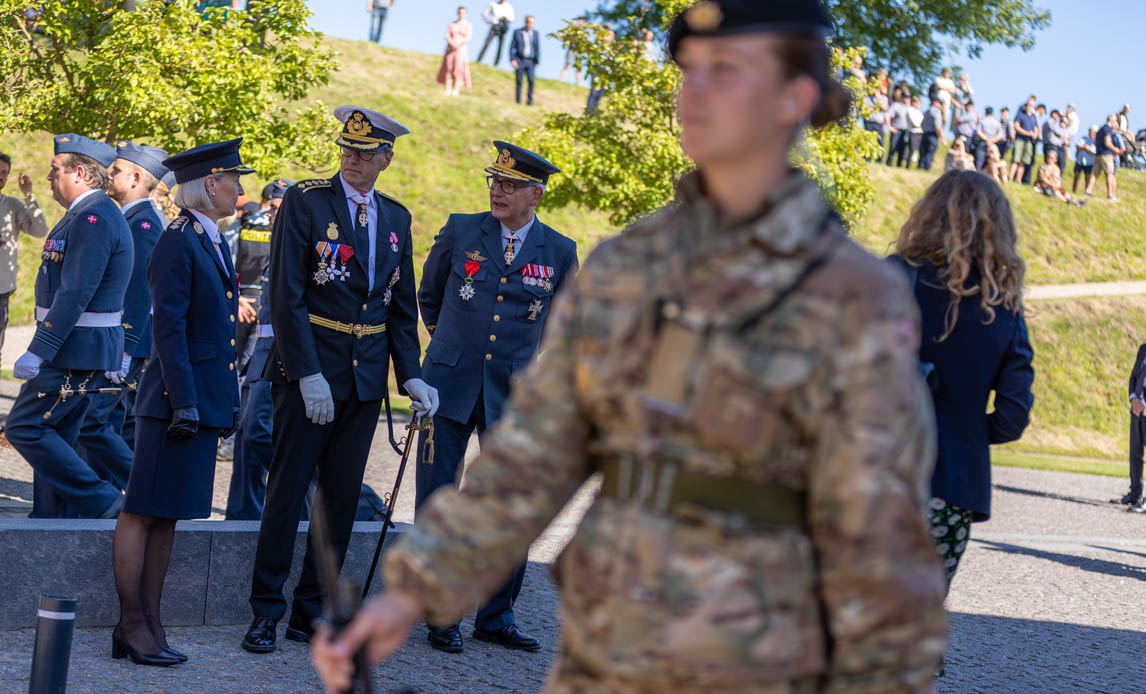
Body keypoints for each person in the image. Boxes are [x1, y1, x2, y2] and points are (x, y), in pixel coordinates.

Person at [311, 1, 947, 691]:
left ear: (794, 99)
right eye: (689, 70)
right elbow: (536, 453)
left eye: (725, 71)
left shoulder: (852, 294)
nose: (693, 91)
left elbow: (883, 546)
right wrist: (410, 594)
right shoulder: (628, 267)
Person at [241, 106, 438, 654]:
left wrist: (412, 377)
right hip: (310, 372)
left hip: (364, 380)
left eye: (364, 151)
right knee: (285, 495)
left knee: (341, 502)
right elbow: (286, 293)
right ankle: (265, 611)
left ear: (385, 158)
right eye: (346, 149)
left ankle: (310, 611)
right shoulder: (307, 200)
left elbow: (399, 306)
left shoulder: (396, 218)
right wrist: (306, 373)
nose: (351, 158)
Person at [413, 142, 577, 654]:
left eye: (509, 185)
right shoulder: (463, 229)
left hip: (512, 394)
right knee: (438, 499)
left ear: (537, 193)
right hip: (446, 385)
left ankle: (496, 615)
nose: (497, 191)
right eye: (494, 181)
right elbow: (429, 295)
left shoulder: (559, 250)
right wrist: (450, 350)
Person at [111, 138, 251, 667]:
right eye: (234, 179)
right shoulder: (178, 240)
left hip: (197, 398)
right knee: (143, 509)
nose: (241, 188)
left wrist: (222, 398)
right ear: (211, 184)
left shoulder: (208, 236)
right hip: (173, 401)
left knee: (166, 515)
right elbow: (167, 328)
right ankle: (131, 624)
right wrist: (186, 403)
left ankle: (151, 620)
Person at [892, 170, 1034, 588]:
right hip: (952, 486)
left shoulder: (892, 278)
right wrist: (966, 430)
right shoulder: (1005, 310)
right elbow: (1012, 418)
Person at [7, 135, 133, 520]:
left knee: (25, 427)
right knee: (59, 433)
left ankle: (102, 501)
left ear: (79, 173)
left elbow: (75, 291)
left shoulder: (94, 217)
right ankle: (50, 520)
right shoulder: (85, 213)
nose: (48, 176)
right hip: (79, 345)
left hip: (75, 347)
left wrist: (39, 349)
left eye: (55, 169)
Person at [75, 142, 168, 481]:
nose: (109, 176)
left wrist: (126, 346)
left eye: (115, 172)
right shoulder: (128, 218)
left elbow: (140, 290)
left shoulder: (142, 223)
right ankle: (110, 495)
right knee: (112, 422)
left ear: (135, 178)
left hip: (124, 343)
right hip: (119, 342)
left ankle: (144, 487)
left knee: (93, 422)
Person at [226, 177, 290, 521]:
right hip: (261, 348)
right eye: (271, 208)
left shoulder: (299, 243)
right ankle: (242, 513)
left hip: (282, 351)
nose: (272, 215)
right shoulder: (258, 234)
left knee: (258, 431)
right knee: (247, 437)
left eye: (279, 210)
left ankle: (316, 494)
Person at [0, 152, 48, 352]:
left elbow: (40, 230)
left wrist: (29, 196)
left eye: (4, 172)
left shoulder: (12, 205)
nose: (0, 176)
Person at [1119, 342, 1146, 509]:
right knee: (1135, 453)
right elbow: (1133, 377)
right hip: (1136, 411)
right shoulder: (1143, 349)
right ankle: (1135, 493)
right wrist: (1133, 398)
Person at [436, 6, 473, 96]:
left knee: (458, 69)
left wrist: (458, 43)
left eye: (463, 13)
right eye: (460, 12)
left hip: (460, 49)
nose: (461, 14)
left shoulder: (468, 25)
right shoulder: (452, 24)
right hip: (450, 48)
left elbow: (467, 37)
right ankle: (448, 88)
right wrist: (451, 43)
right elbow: (447, 35)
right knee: (449, 68)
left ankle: (456, 89)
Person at [1096, 113, 1126, 202]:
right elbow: (1109, 144)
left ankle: (1111, 195)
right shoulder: (1109, 131)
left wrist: (1115, 154)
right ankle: (1111, 195)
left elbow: (1122, 148)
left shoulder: (1112, 133)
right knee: (1110, 175)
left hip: (1110, 156)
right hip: (1108, 156)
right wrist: (1115, 152)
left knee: (1109, 175)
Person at [510, 15, 540, 106]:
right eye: (529, 22)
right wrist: (513, 59)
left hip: (531, 61)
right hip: (520, 59)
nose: (531, 24)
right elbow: (512, 47)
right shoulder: (518, 32)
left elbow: (537, 48)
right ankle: (518, 101)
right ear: (526, 22)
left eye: (532, 22)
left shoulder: (535, 33)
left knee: (531, 81)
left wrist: (537, 61)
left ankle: (529, 102)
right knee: (519, 81)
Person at [1009, 99, 1039, 184]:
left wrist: (1035, 134)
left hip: (1029, 141)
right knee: (1016, 159)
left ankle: (1018, 180)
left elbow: (1036, 128)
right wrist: (1027, 133)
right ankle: (1010, 178)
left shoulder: (1033, 116)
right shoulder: (1020, 114)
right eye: (1029, 105)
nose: (1030, 107)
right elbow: (1016, 126)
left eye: (1032, 106)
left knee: (1023, 161)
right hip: (1020, 140)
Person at [476, 0, 514, 67]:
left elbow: (511, 18)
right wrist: (488, 20)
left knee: (500, 47)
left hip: (503, 27)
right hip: (494, 26)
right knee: (487, 43)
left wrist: (505, 19)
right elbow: (484, 13)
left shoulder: (509, 7)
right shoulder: (493, 4)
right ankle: (479, 59)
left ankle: (496, 64)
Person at [885, 90, 911, 166]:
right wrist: (890, 127)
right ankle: (889, 164)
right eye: (905, 97)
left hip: (905, 131)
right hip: (896, 130)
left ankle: (898, 166)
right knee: (892, 148)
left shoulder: (910, 108)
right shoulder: (896, 105)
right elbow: (888, 115)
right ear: (902, 97)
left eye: (908, 97)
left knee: (902, 150)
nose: (907, 99)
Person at [918, 96, 944, 170]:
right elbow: (937, 125)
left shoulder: (926, 112)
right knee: (930, 153)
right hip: (932, 135)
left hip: (924, 134)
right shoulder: (937, 112)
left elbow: (921, 124)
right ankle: (926, 168)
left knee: (923, 153)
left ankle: (921, 168)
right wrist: (942, 137)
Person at [974, 106, 1003, 171]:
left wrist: (987, 139)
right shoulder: (997, 122)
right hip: (993, 144)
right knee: (993, 160)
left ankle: (978, 173)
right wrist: (992, 141)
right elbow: (1000, 134)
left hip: (983, 142)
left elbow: (978, 132)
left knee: (980, 160)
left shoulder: (982, 121)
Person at [1072, 124, 1098, 195]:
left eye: (1092, 131)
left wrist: (1085, 148)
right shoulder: (1083, 138)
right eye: (1089, 131)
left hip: (1089, 162)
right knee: (1076, 176)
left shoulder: (1096, 141)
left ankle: (1086, 192)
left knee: (1087, 177)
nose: (1090, 132)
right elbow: (1078, 146)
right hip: (1079, 160)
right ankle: (1073, 191)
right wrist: (1085, 147)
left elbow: (1092, 151)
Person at [561, 17, 585, 84]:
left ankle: (578, 82)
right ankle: (562, 79)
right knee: (567, 64)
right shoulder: (573, 29)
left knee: (578, 66)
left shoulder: (583, 31)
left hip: (579, 50)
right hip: (572, 48)